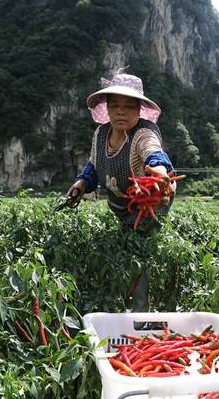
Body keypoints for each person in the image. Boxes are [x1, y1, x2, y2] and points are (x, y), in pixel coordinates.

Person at [65, 72, 176, 312]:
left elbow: (154, 153)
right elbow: (94, 165)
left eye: (128, 106)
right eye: (114, 105)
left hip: (146, 206)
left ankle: (140, 312)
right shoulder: (101, 133)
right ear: (106, 109)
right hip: (121, 207)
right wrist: (81, 184)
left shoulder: (143, 134)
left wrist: (158, 170)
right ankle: (122, 301)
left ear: (140, 109)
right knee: (122, 249)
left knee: (140, 253)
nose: (121, 111)